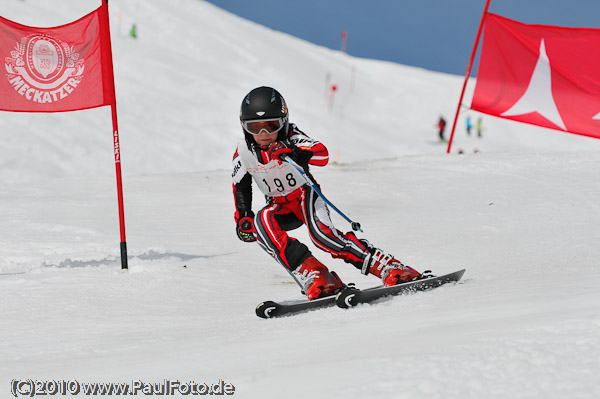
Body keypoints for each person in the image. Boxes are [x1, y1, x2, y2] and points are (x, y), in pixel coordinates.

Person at [232, 86, 424, 300]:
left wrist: (294, 152)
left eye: (271, 126)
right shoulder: (243, 153)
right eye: (254, 128)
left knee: (323, 236)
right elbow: (240, 186)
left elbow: (322, 155)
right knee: (262, 223)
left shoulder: (293, 136)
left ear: (284, 123)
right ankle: (318, 276)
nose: (263, 134)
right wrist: (242, 216)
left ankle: (390, 266)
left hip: (305, 196)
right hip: (279, 206)